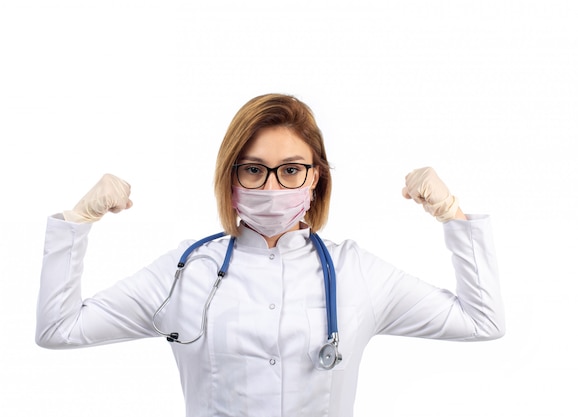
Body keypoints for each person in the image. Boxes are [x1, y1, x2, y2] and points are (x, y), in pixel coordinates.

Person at [36, 93, 505, 416]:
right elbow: (59, 329)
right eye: (255, 170)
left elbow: (482, 321)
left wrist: (453, 216)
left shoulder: (354, 271)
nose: (273, 187)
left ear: (316, 177)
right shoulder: (186, 271)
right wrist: (78, 221)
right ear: (231, 176)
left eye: (291, 170)